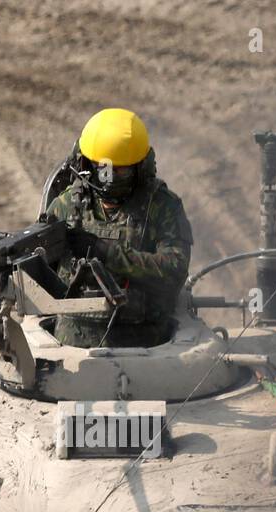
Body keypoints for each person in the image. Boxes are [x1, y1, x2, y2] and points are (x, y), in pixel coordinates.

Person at [43, 108, 193, 347]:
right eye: (103, 169)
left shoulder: (162, 208)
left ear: (141, 168)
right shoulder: (65, 207)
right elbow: (43, 276)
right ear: (86, 164)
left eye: (120, 170)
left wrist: (105, 252)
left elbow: (174, 269)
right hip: (70, 347)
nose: (109, 179)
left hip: (143, 348)